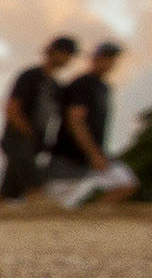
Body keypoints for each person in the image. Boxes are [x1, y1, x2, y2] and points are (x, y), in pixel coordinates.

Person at [44, 41, 139, 207]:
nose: (110, 63)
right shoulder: (83, 83)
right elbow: (75, 120)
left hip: (93, 154)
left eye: (113, 59)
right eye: (106, 58)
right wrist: (93, 153)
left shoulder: (103, 87)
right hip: (70, 156)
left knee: (125, 184)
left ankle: (89, 224)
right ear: (94, 59)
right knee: (50, 205)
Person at [0, 36, 78, 206]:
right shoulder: (31, 76)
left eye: (70, 55)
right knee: (35, 183)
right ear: (52, 52)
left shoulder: (56, 86)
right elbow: (12, 108)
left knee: (8, 189)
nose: (68, 58)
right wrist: (28, 133)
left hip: (34, 143)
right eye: (65, 53)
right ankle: (39, 210)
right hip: (18, 138)